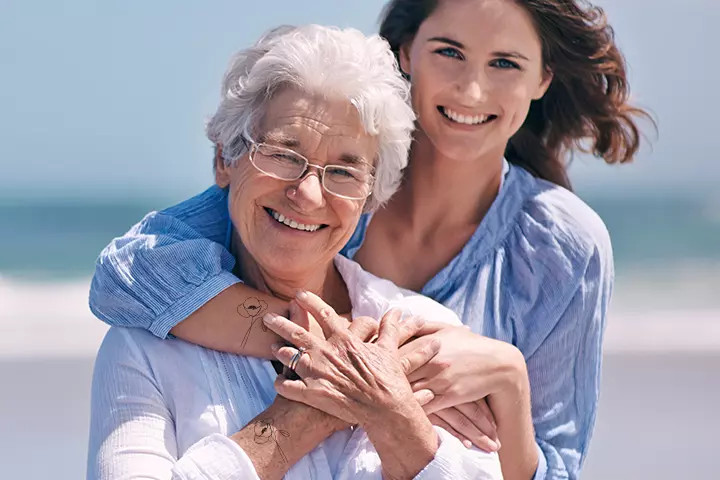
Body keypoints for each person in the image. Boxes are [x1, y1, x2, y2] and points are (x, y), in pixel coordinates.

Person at [89, 1, 651, 479]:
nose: (473, 87)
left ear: (541, 79)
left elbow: (553, 463)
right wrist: (331, 355)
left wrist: (508, 377)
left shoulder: (561, 246)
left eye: (505, 62)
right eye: (449, 51)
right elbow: (130, 272)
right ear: (406, 52)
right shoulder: (319, 168)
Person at [87, 24, 504, 480]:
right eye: (283, 153)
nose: (307, 195)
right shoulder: (143, 347)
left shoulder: (428, 337)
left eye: (345, 171)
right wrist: (300, 419)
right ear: (225, 159)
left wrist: (394, 419)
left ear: (370, 198)